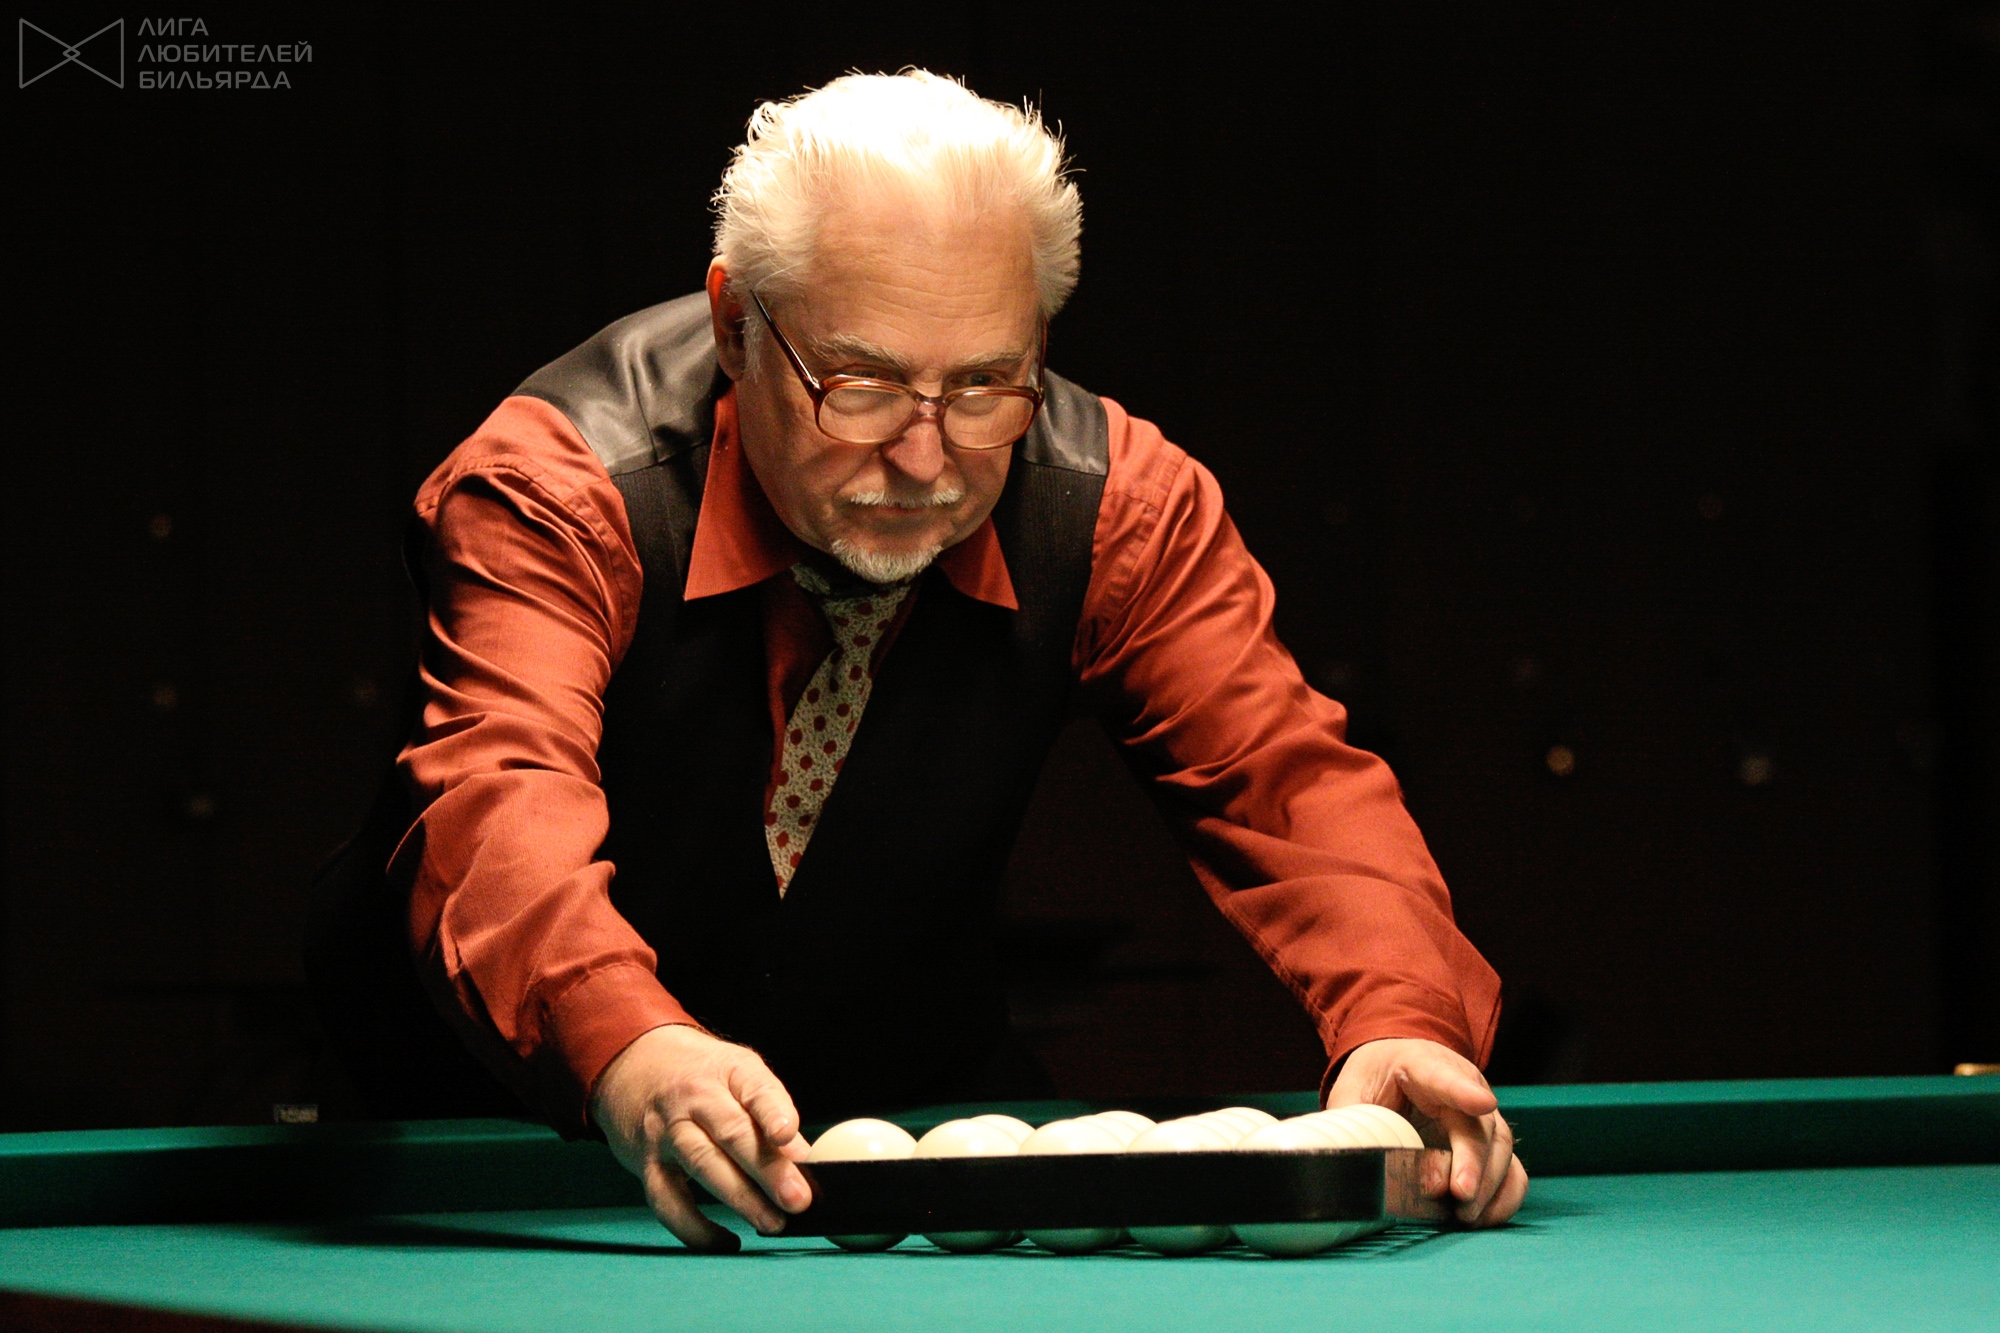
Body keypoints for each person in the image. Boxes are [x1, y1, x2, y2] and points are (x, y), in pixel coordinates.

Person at [309, 70, 1527, 1253]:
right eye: (863, 387)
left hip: (899, 1110)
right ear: (735, 323)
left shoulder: (1113, 503)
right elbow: (496, 793)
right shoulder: (559, 488)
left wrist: (1400, 1021)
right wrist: (628, 1042)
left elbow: (1284, 781)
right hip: (515, 1134)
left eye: (987, 384)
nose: (927, 461)